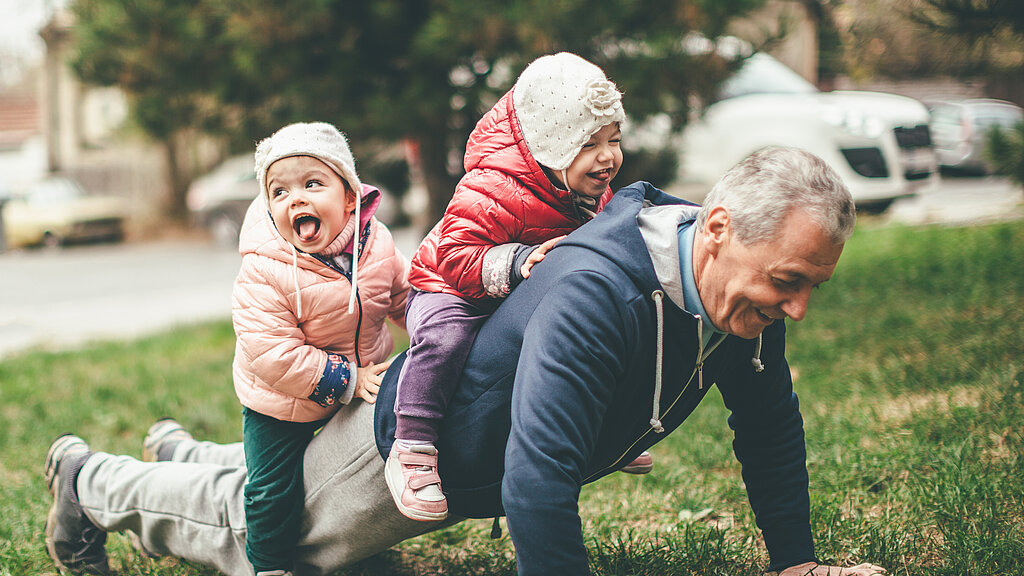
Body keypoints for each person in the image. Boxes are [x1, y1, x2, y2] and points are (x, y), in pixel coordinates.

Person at [42, 147, 888, 576]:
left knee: (259, 484)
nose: (796, 308)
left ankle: (190, 452)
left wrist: (797, 561)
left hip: (449, 452)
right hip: (398, 454)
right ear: (716, 229)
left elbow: (769, 422)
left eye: (808, 285)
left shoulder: (737, 288)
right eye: (787, 282)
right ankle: (87, 483)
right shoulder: (600, 290)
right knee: (244, 527)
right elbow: (538, 479)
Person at [388, 51, 651, 522]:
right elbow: (453, 256)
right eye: (590, 144)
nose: (608, 156)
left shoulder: (585, 191)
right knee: (444, 340)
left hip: (518, 288)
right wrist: (516, 262)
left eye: (614, 139)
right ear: (550, 145)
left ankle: (602, 428)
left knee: (586, 332)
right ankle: (412, 445)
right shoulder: (490, 187)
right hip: (451, 286)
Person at [231, 122, 411, 576]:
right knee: (272, 488)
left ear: (350, 196)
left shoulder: (377, 245)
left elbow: (403, 297)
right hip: (281, 400)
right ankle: (269, 564)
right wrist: (348, 380)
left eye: (313, 184)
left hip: (359, 377)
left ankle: (353, 545)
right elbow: (272, 353)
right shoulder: (265, 269)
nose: (296, 198)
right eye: (279, 191)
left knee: (356, 470)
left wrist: (436, 326)